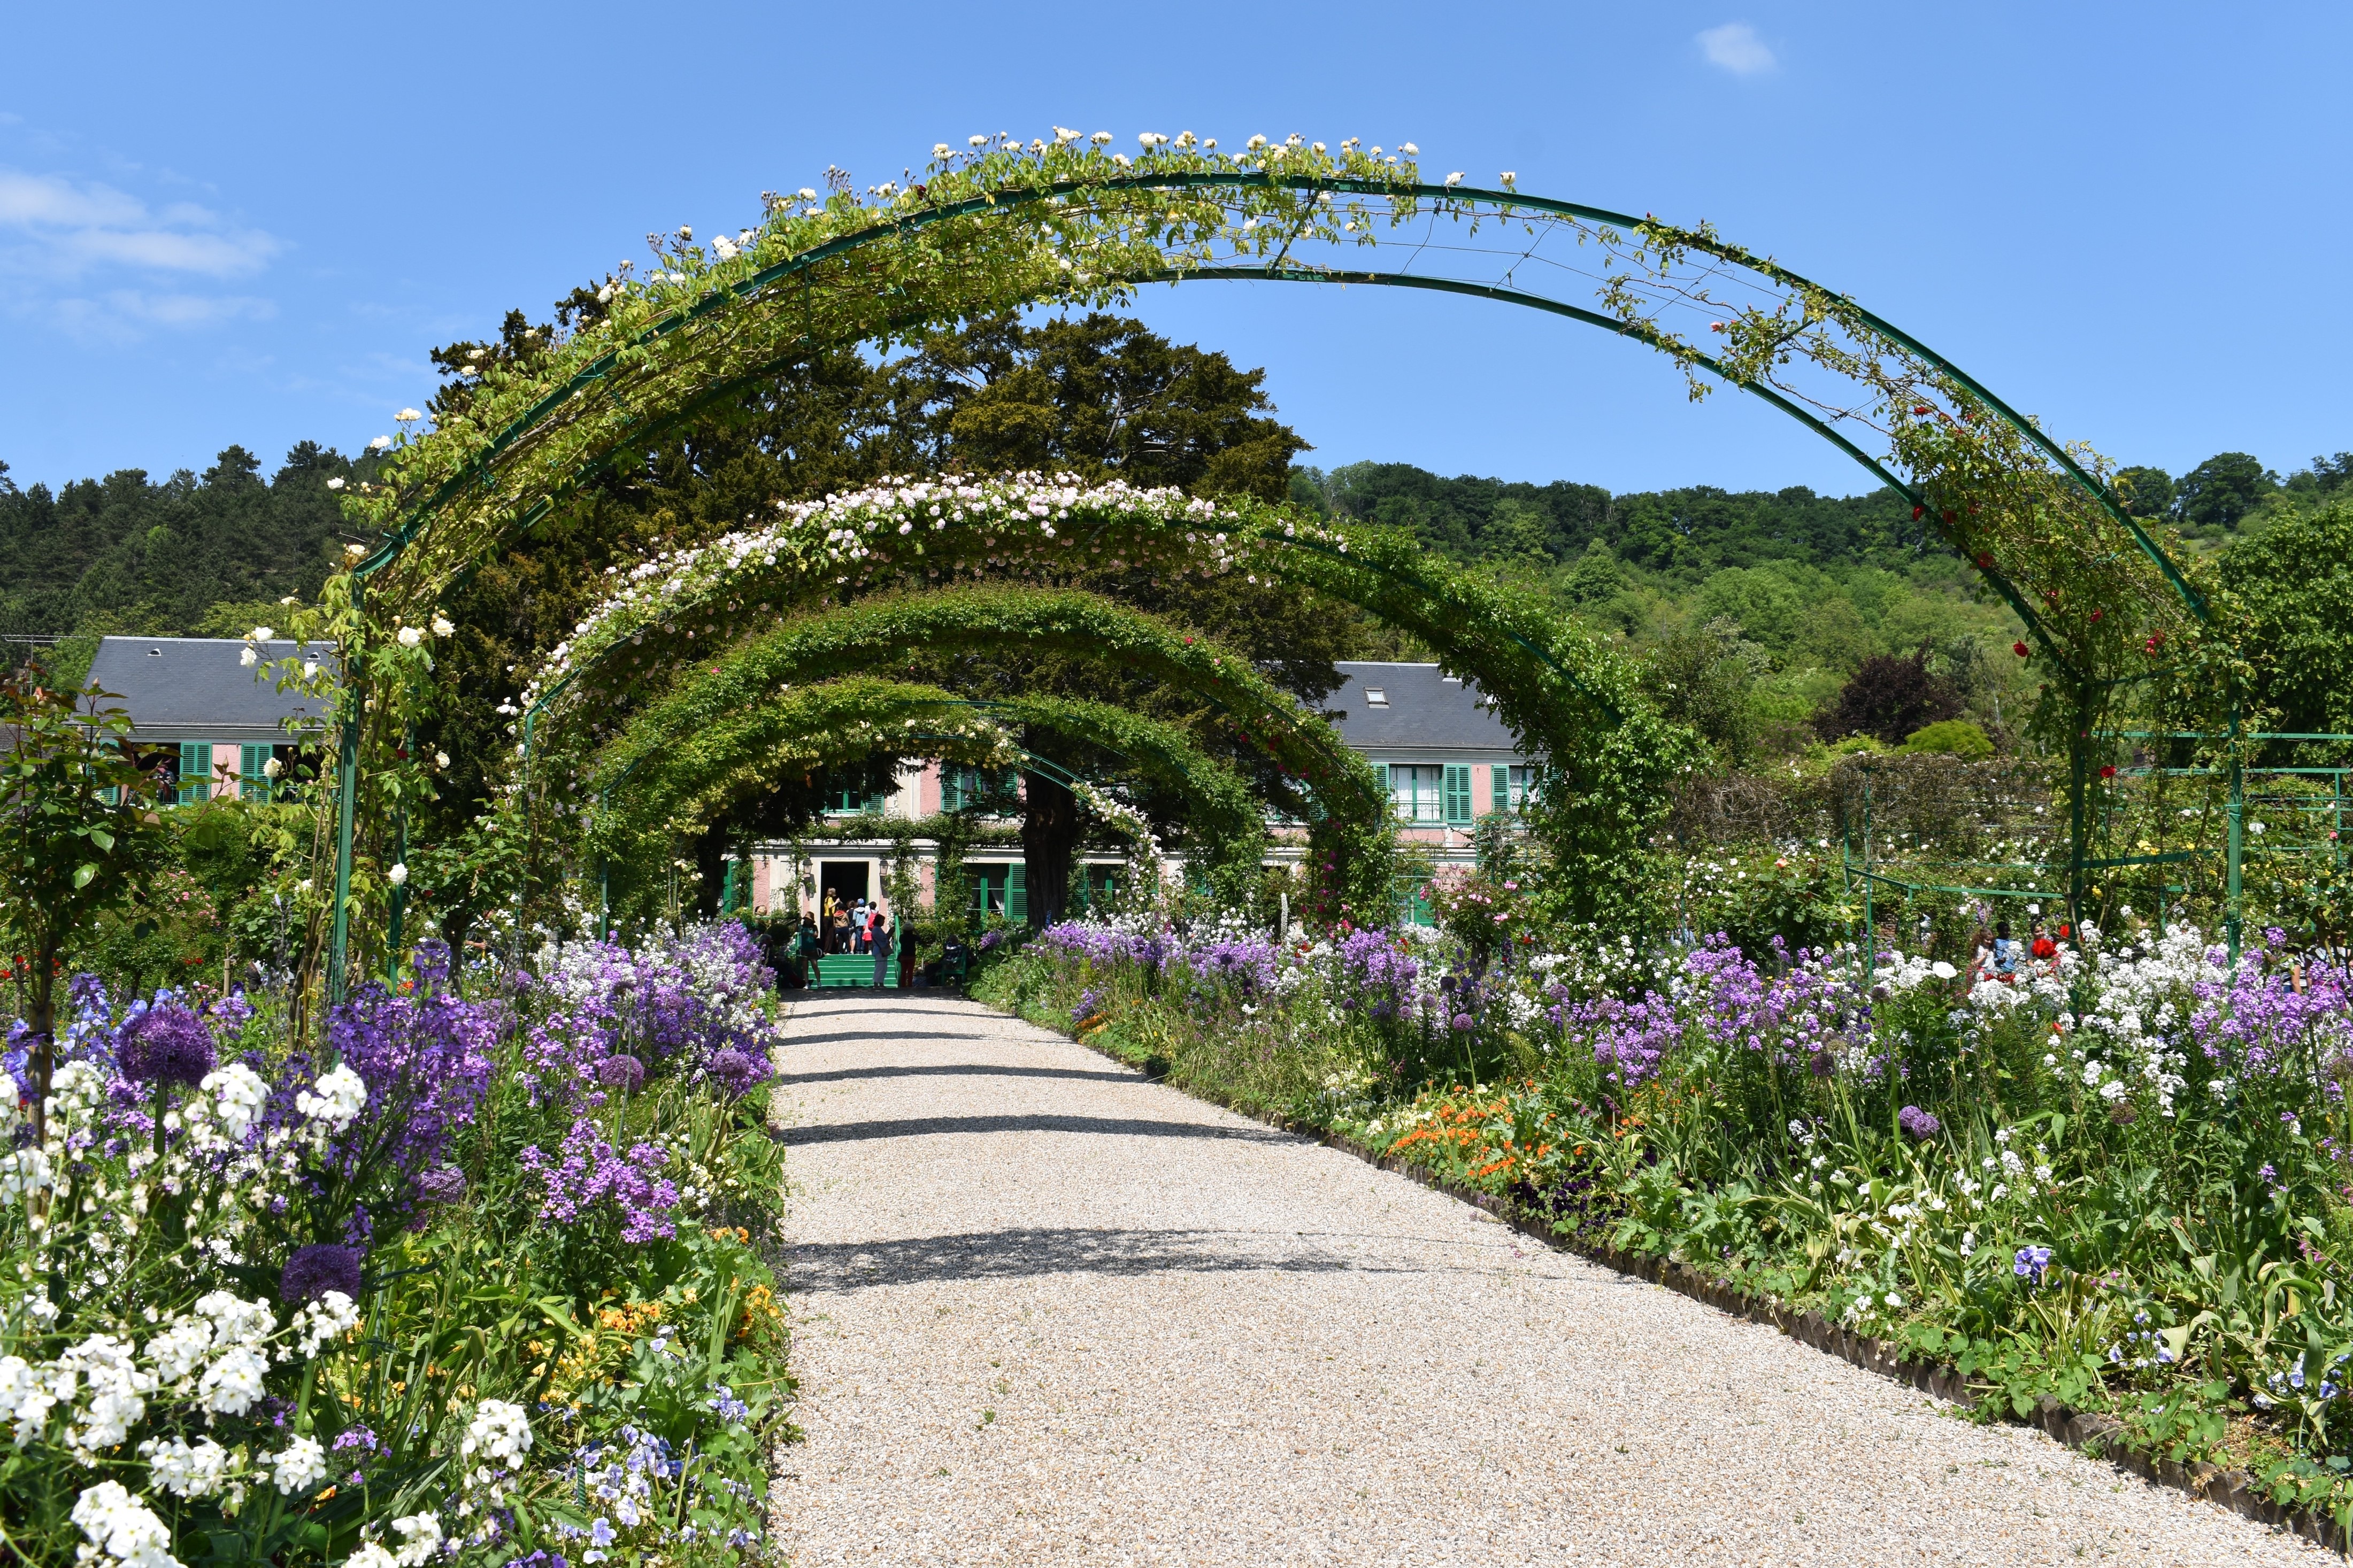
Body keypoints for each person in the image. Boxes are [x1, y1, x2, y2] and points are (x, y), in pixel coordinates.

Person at [795, 913, 822, 986]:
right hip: (804, 949)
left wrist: (810, 934)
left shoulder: (814, 927)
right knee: (805, 967)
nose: (808, 921)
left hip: (813, 949)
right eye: (807, 919)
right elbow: (796, 930)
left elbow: (816, 935)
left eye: (809, 920)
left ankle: (819, 982)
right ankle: (807, 983)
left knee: (815, 966)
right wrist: (797, 922)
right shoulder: (802, 927)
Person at [870, 907, 893, 988]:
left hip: (882, 950)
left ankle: (881, 982)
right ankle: (876, 983)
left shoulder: (878, 929)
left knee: (884, 968)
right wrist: (890, 932)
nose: (883, 922)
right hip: (879, 950)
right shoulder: (876, 929)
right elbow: (885, 938)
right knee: (879, 967)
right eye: (883, 920)